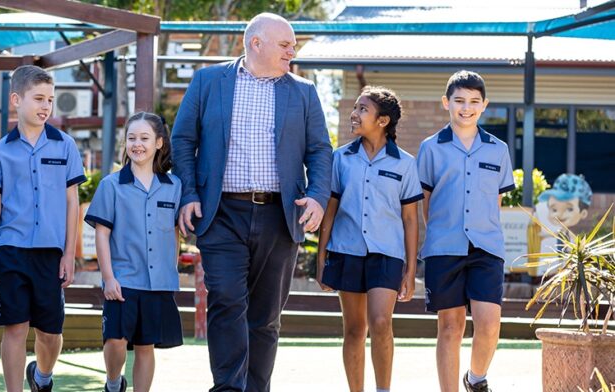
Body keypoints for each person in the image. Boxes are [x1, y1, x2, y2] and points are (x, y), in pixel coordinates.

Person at [171, 12, 332, 391]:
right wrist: (190, 194)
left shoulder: (303, 91)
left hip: (281, 215)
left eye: (292, 45)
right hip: (222, 212)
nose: (292, 50)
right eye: (285, 44)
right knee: (226, 300)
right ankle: (228, 388)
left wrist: (318, 197)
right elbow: (182, 140)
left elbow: (320, 151)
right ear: (256, 43)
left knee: (266, 316)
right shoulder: (209, 81)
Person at [0, 65, 86, 392]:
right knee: (15, 328)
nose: (45, 106)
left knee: (50, 332)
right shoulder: (1, 151)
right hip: (9, 250)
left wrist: (70, 253)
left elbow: (72, 203)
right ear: (16, 99)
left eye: (50, 100)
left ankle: (41, 376)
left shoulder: (65, 146)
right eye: (38, 98)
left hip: (51, 252)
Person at [316, 86, 422, 392]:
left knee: (380, 323)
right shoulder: (341, 159)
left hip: (387, 254)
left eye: (363, 109)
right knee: (353, 330)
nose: (355, 113)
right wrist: (321, 261)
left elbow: (411, 219)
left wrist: (411, 271)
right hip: (346, 251)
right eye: (355, 107)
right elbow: (330, 213)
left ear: (383, 120)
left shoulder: (404, 163)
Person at [416, 70, 515, 392]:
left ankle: (475, 378)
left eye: (474, 101)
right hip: (444, 247)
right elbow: (426, 203)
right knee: (450, 327)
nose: (466, 108)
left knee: (488, 325)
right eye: (459, 100)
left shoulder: (497, 149)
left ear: (484, 105)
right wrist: (443, 235)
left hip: (486, 247)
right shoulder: (430, 148)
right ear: (446, 103)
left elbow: (495, 201)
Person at [85, 111, 184, 392]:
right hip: (123, 279)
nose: (137, 144)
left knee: (145, 345)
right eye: (131, 138)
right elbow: (102, 235)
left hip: (157, 282)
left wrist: (170, 271)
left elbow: (176, 233)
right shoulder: (110, 185)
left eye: (144, 138)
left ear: (159, 143)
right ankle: (114, 382)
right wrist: (108, 278)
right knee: (115, 340)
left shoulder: (174, 187)